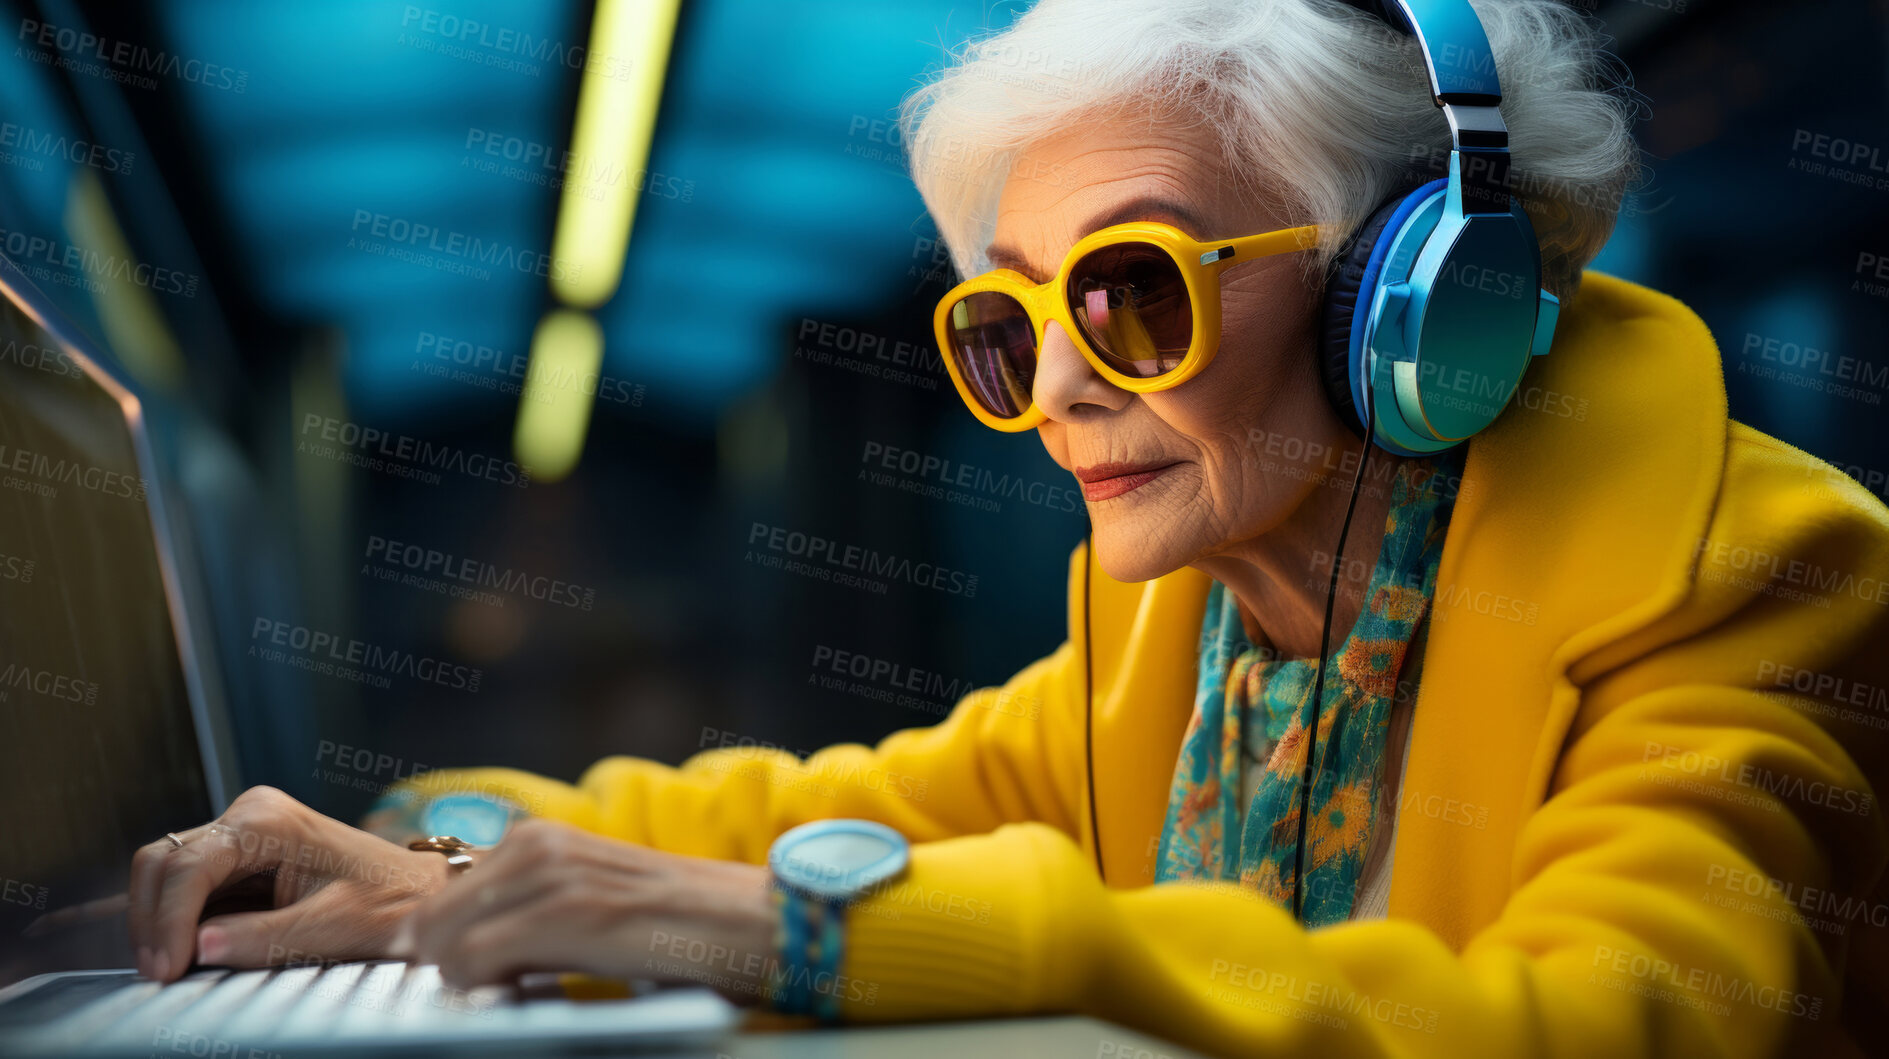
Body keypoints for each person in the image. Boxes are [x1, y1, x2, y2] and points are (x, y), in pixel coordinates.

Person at [126, 1, 1889, 1055]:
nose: (1050, 386)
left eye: (1131, 294)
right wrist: (439, 841)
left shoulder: (1759, 575)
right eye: (1003, 321)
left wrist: (903, 938)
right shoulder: (1182, 606)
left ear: (1418, 296)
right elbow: (864, 808)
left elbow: (1614, 1022)